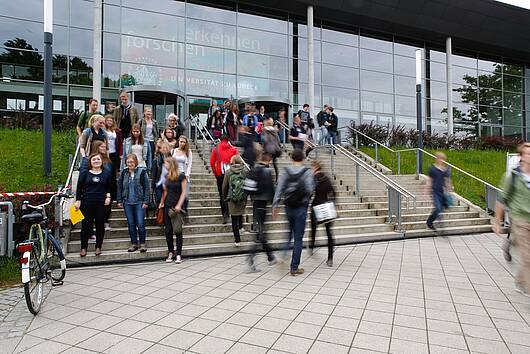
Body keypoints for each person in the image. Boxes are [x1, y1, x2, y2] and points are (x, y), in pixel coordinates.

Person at [494, 142, 530, 296]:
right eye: (528, 153)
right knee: (528, 257)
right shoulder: (513, 177)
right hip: (519, 220)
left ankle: (520, 281)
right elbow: (501, 199)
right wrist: (497, 222)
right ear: (521, 157)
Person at [272, 149, 314, 275]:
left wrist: (275, 205)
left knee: (288, 233)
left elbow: (279, 189)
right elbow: (310, 189)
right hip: (301, 207)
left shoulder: (285, 172)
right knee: (298, 238)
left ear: (291, 158)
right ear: (302, 158)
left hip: (288, 206)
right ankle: (294, 267)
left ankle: (283, 254)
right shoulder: (307, 172)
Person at [74, 153, 112, 257]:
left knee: (100, 225)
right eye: (94, 159)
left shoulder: (106, 173)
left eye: (98, 159)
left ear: (101, 161)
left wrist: (108, 197)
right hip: (87, 202)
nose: (96, 161)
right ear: (90, 162)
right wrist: (78, 200)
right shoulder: (85, 173)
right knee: (86, 225)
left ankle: (98, 247)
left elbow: (109, 187)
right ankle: (83, 248)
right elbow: (79, 187)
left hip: (101, 202)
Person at [247, 152, 276, 271]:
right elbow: (271, 189)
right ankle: (251, 257)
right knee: (261, 233)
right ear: (268, 160)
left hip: (255, 203)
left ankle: (270, 256)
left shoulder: (253, 170)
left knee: (261, 231)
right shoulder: (267, 171)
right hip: (263, 204)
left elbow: (248, 187)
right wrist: (275, 204)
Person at [117, 154, 150, 253]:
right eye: (128, 162)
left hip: (139, 202)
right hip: (127, 202)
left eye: (131, 162)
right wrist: (119, 200)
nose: (130, 164)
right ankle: (134, 243)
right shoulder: (124, 173)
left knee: (140, 223)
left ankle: (143, 243)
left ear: (135, 162)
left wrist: (146, 201)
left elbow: (147, 188)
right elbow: (119, 187)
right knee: (131, 224)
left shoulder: (142, 172)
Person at [159, 157, 187, 264]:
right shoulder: (167, 176)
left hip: (177, 206)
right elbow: (165, 191)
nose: (164, 165)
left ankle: (179, 254)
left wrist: (179, 205)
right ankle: (171, 252)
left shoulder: (181, 176)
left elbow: (184, 192)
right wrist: (161, 202)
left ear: (171, 164)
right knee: (168, 230)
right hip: (167, 205)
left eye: (165, 163)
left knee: (178, 230)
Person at [309, 160, 336, 267]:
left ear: (315, 168)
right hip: (326, 207)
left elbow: (310, 192)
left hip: (315, 206)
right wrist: (334, 204)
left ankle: (311, 247)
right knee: (329, 233)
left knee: (313, 228)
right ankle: (330, 258)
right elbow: (333, 192)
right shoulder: (327, 178)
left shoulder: (313, 179)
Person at [210, 135, 238, 224]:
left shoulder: (216, 149)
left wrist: (216, 173)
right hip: (232, 174)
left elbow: (211, 162)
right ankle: (235, 214)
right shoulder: (233, 149)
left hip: (220, 175)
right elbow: (238, 160)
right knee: (233, 193)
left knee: (222, 194)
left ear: (220, 140)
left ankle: (225, 214)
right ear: (228, 139)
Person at [222, 155, 248, 246]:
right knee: (240, 214)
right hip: (242, 198)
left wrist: (225, 197)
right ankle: (241, 228)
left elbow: (224, 186)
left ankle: (237, 240)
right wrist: (245, 196)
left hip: (232, 198)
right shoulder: (245, 172)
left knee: (234, 219)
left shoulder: (228, 172)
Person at [425, 152, 453, 231]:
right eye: (440, 158)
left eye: (443, 159)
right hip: (435, 192)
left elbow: (447, 180)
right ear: (436, 158)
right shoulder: (432, 169)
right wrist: (426, 190)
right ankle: (429, 222)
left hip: (442, 192)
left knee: (440, 209)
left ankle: (433, 223)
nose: (441, 160)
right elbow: (429, 180)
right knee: (437, 208)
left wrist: (449, 189)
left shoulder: (446, 170)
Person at [91, 140, 113, 231]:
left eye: (105, 147)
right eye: (102, 147)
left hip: (108, 186)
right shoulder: (93, 159)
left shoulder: (107, 159)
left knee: (107, 205)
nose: (104, 148)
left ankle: (105, 221)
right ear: (97, 147)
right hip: (97, 188)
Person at [104, 114, 123, 202]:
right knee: (107, 174)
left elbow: (120, 143)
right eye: (107, 120)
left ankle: (114, 195)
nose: (109, 122)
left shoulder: (117, 131)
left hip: (114, 155)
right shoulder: (103, 130)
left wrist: (120, 154)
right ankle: (107, 194)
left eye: (111, 120)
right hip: (105, 155)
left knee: (113, 175)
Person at [172, 135, 193, 211]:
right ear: (178, 141)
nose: (182, 144)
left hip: (183, 174)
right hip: (175, 174)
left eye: (184, 142)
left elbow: (190, 164)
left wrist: (187, 175)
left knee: (185, 194)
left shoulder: (188, 152)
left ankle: (184, 209)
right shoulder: (173, 151)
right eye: (181, 142)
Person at [152, 140, 172, 206]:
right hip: (159, 183)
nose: (164, 149)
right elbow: (154, 174)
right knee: (160, 200)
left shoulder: (172, 159)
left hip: (169, 183)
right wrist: (153, 186)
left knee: (167, 201)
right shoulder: (157, 159)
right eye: (163, 148)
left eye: (166, 147)